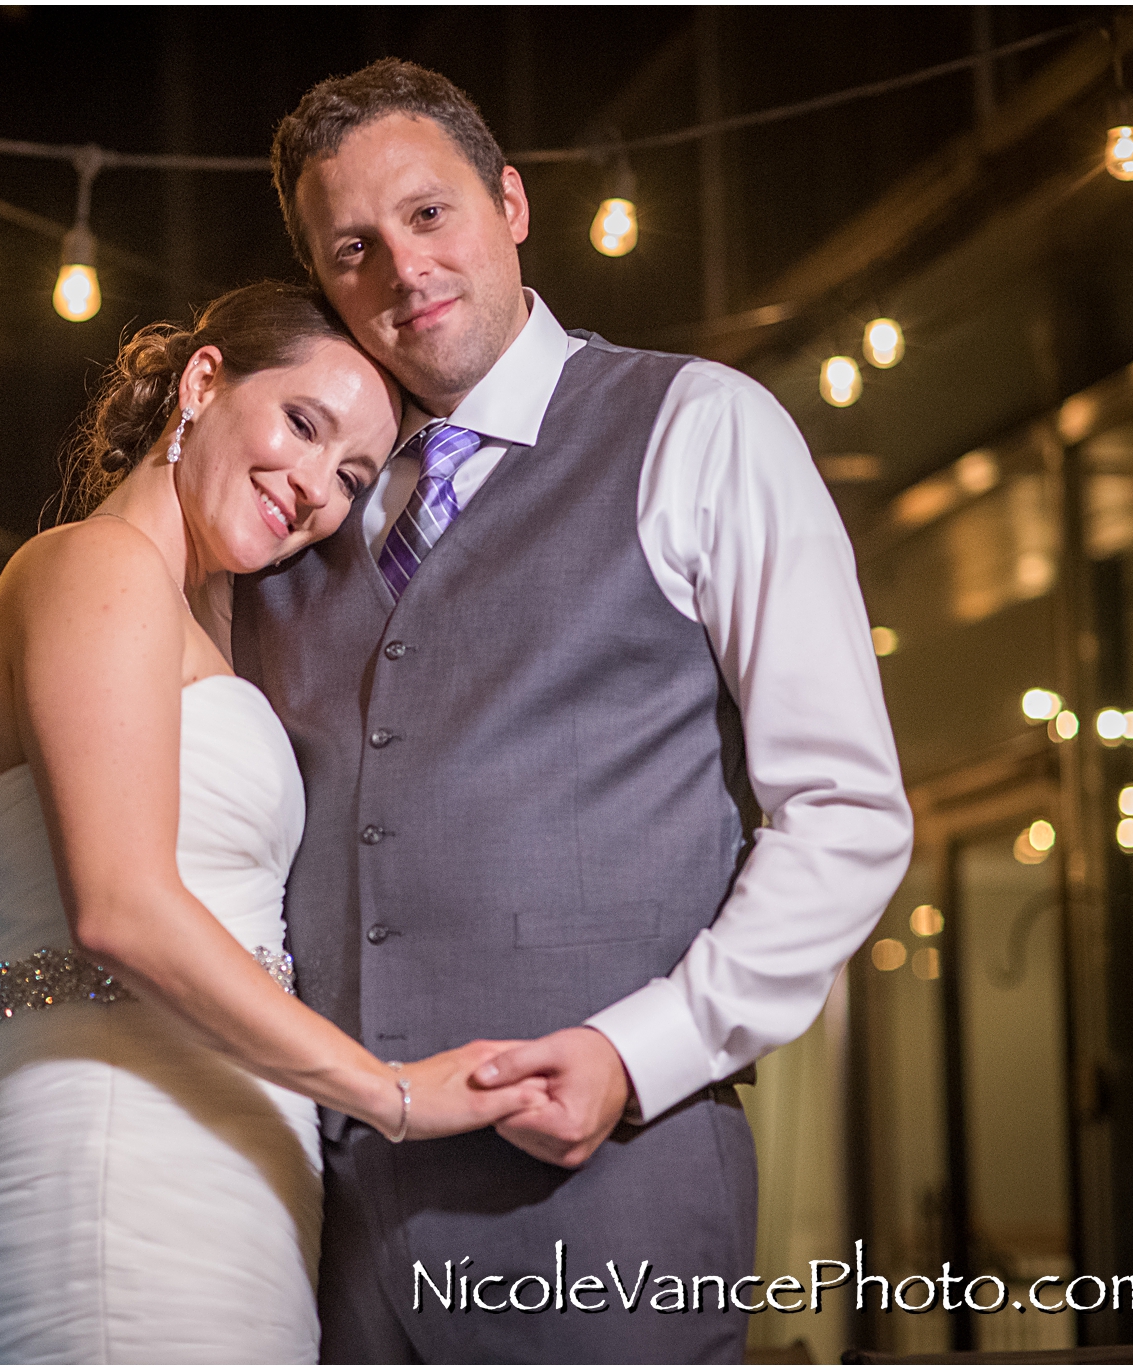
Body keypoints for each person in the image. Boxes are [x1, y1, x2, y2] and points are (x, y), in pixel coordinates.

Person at [223, 60, 915, 1362]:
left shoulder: (700, 429)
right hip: (333, 1240)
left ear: (512, 202)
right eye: (353, 248)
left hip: (614, 1206)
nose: (402, 269)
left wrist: (643, 1049)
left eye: (429, 215)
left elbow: (846, 811)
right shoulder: (303, 509)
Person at [0, 281, 549, 1363]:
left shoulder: (202, 614)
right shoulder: (92, 564)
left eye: (353, 474)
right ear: (203, 380)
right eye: (302, 424)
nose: (314, 484)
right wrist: (392, 1094)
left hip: (230, 1172)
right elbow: (117, 907)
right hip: (121, 1162)